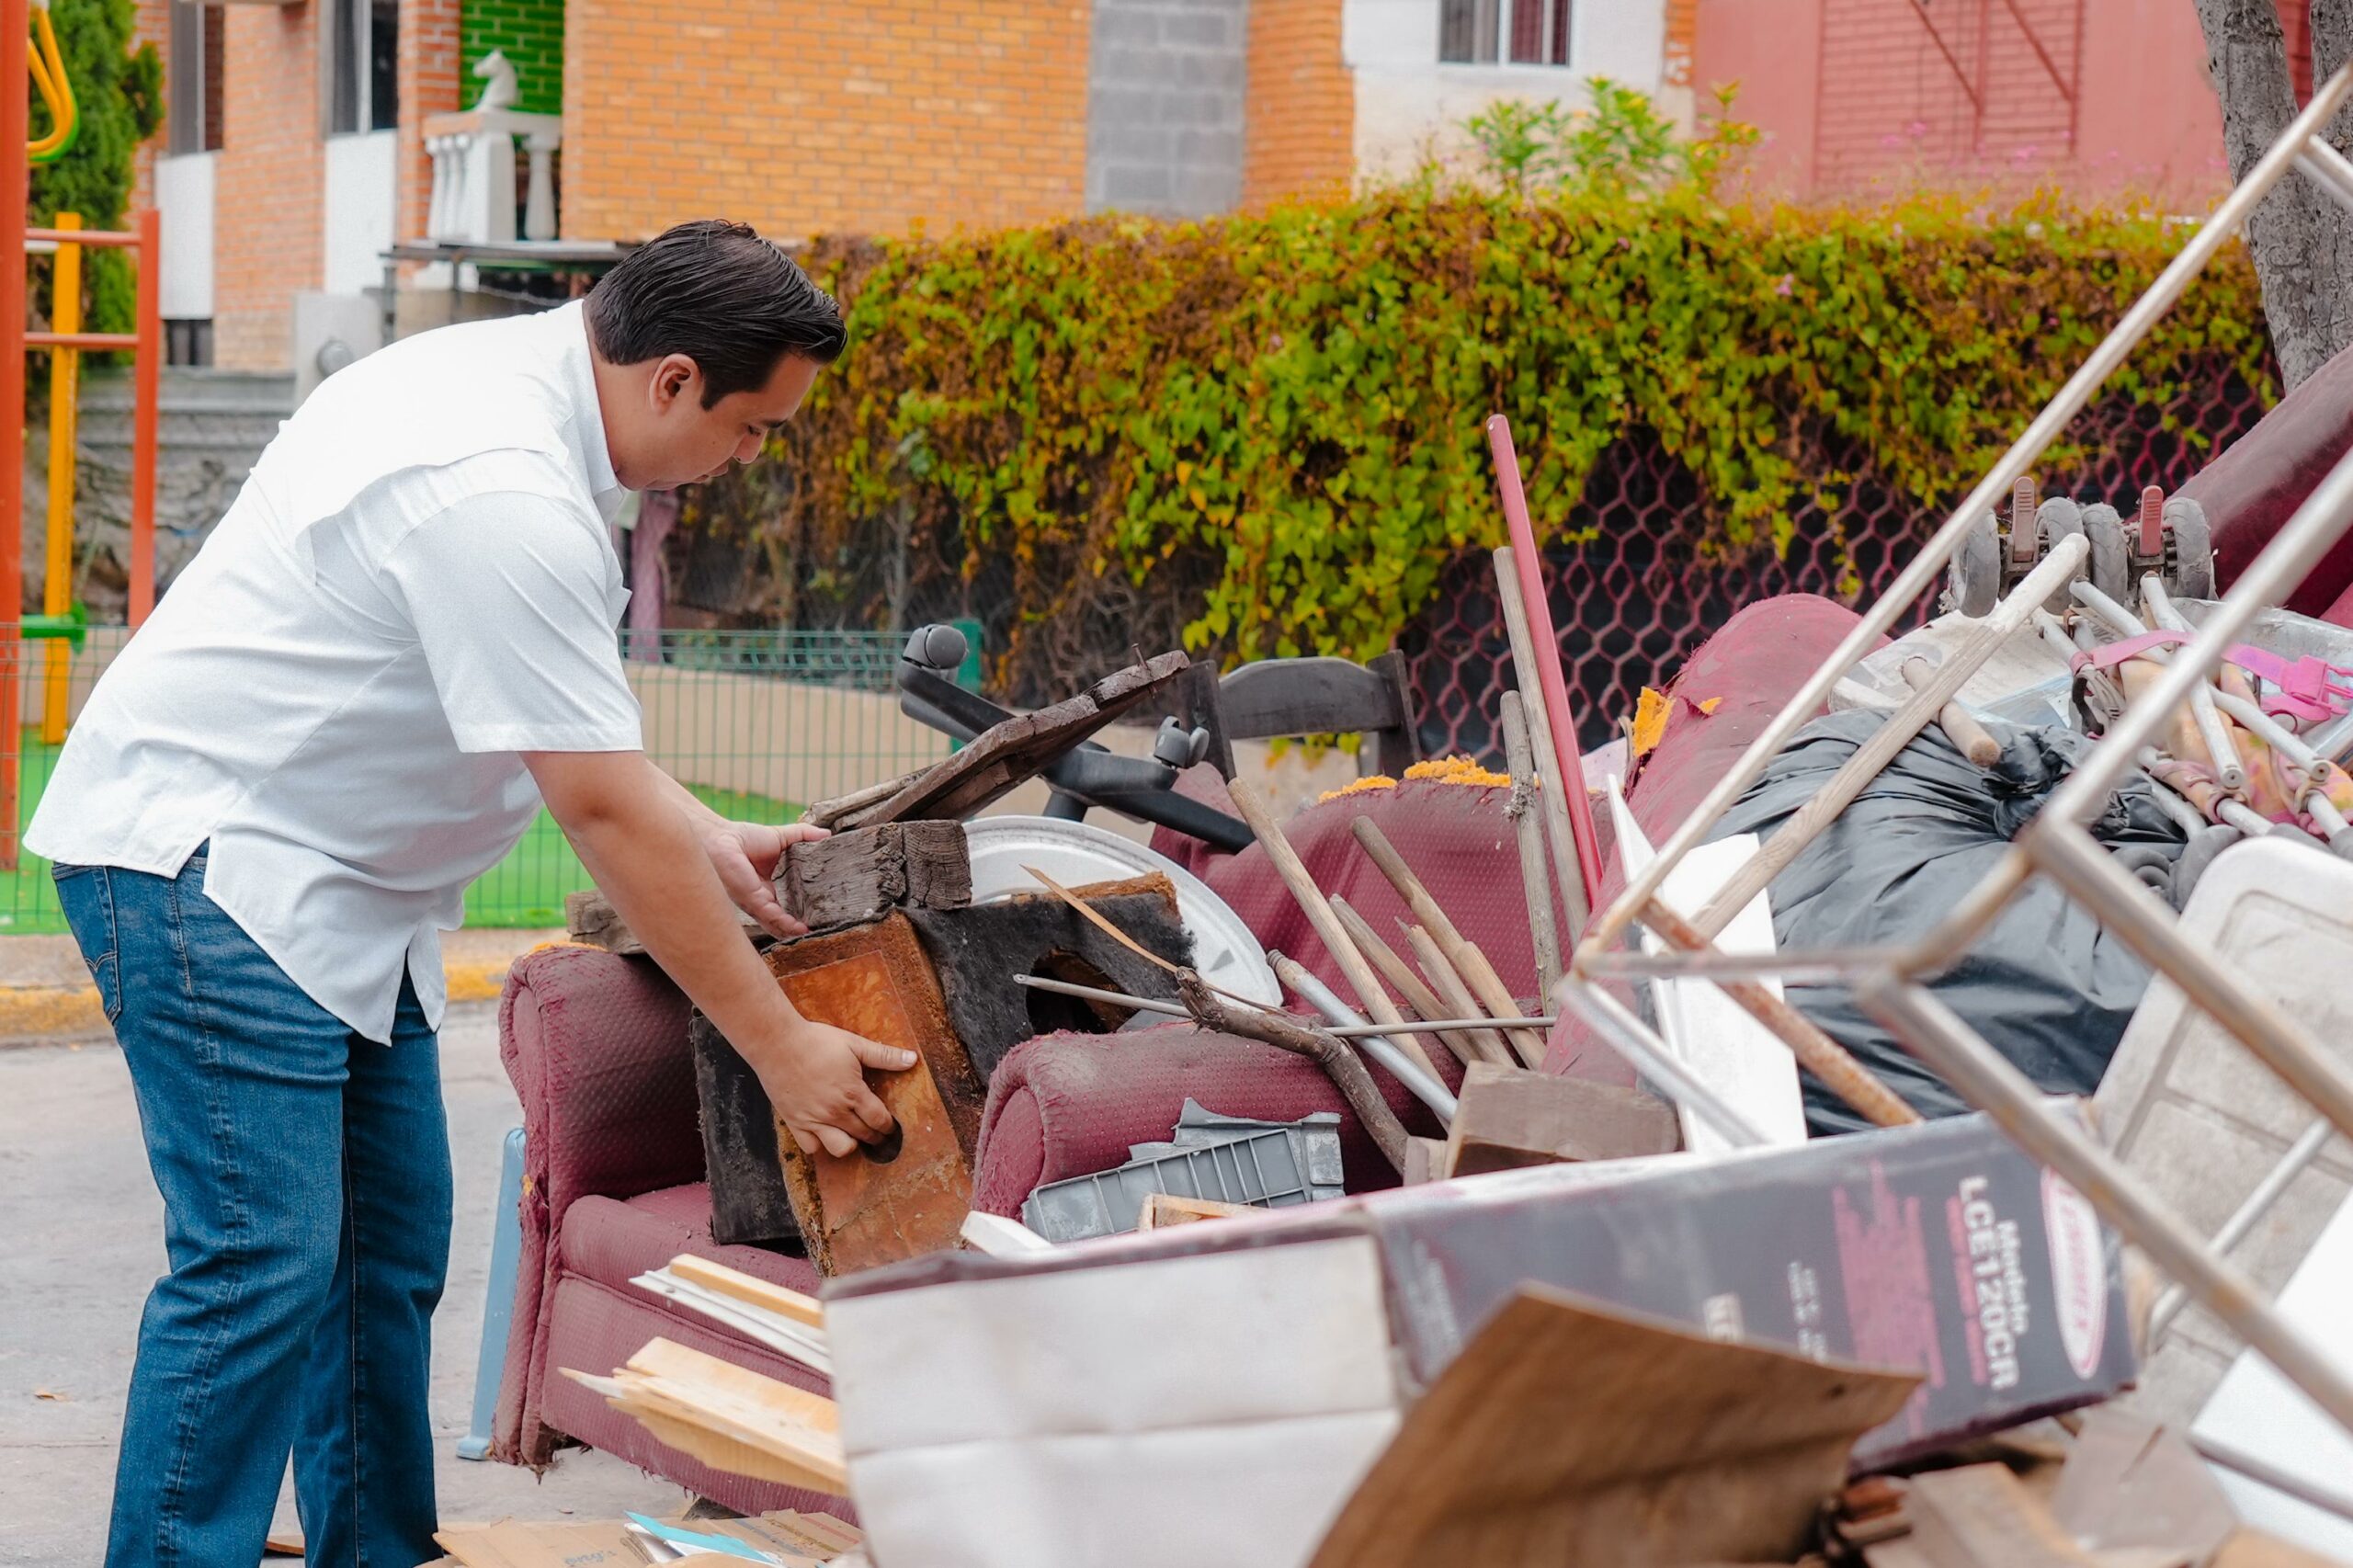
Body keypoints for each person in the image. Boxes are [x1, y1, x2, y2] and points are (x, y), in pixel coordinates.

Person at [26, 219, 906, 1568]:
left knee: (384, 1251)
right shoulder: (498, 484)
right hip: (215, 866)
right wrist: (782, 1047)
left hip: (337, 895)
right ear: (672, 379)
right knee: (261, 1262)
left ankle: (374, 1551)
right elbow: (597, 805)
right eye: (754, 428)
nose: (748, 460)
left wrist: (704, 829)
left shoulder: (522, 399)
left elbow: (578, 742)